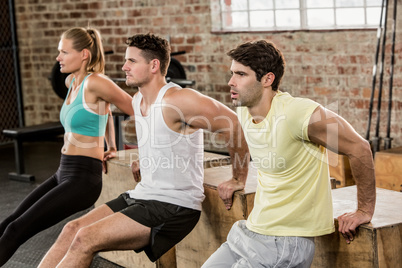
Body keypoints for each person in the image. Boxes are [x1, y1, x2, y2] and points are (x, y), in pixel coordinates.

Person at [37, 33, 249, 267]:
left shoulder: (180, 100)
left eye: (132, 61)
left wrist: (238, 178)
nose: (124, 66)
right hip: (143, 195)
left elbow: (234, 126)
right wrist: (145, 159)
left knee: (85, 239)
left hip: (174, 205)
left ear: (154, 65)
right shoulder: (138, 99)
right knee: (72, 229)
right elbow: (162, 137)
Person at [202, 40, 376, 267]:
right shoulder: (245, 111)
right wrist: (238, 178)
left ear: (267, 79)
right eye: (232, 73)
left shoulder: (297, 113)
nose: (231, 82)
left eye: (241, 74)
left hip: (284, 243)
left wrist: (364, 209)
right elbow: (241, 137)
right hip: (249, 231)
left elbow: (359, 148)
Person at [0, 27, 134, 266]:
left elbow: (133, 107)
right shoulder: (72, 81)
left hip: (82, 179)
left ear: (84, 54)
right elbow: (105, 109)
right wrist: (111, 144)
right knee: (9, 221)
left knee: (16, 230)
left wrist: (140, 150)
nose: (58, 58)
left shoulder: (97, 82)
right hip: (64, 171)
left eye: (63, 52)